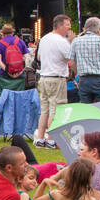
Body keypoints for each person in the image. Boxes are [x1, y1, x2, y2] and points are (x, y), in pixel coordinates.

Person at [32, 14, 74, 148]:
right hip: (56, 78)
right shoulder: (61, 41)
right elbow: (70, 58)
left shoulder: (44, 38)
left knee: (45, 110)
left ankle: (40, 138)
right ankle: (51, 139)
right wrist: (71, 42)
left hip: (44, 77)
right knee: (56, 110)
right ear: (60, 25)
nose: (69, 27)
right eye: (67, 25)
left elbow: (38, 57)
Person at [70, 17, 100, 105]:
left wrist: (78, 73)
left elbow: (71, 63)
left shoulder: (76, 41)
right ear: (99, 28)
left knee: (86, 109)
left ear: (85, 27)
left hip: (84, 79)